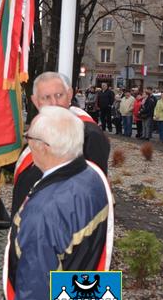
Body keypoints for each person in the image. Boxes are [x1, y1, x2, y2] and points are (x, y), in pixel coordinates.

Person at [3, 107, 114, 300]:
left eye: (29, 138)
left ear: (45, 147)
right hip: (86, 295)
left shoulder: (46, 211)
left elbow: (34, 289)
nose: (27, 144)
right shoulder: (91, 175)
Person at [11, 72, 110, 218]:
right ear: (35, 101)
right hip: (26, 218)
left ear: (70, 94)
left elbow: (91, 190)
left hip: (58, 225)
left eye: (59, 95)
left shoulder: (89, 134)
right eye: (45, 97)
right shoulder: (40, 128)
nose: (54, 103)